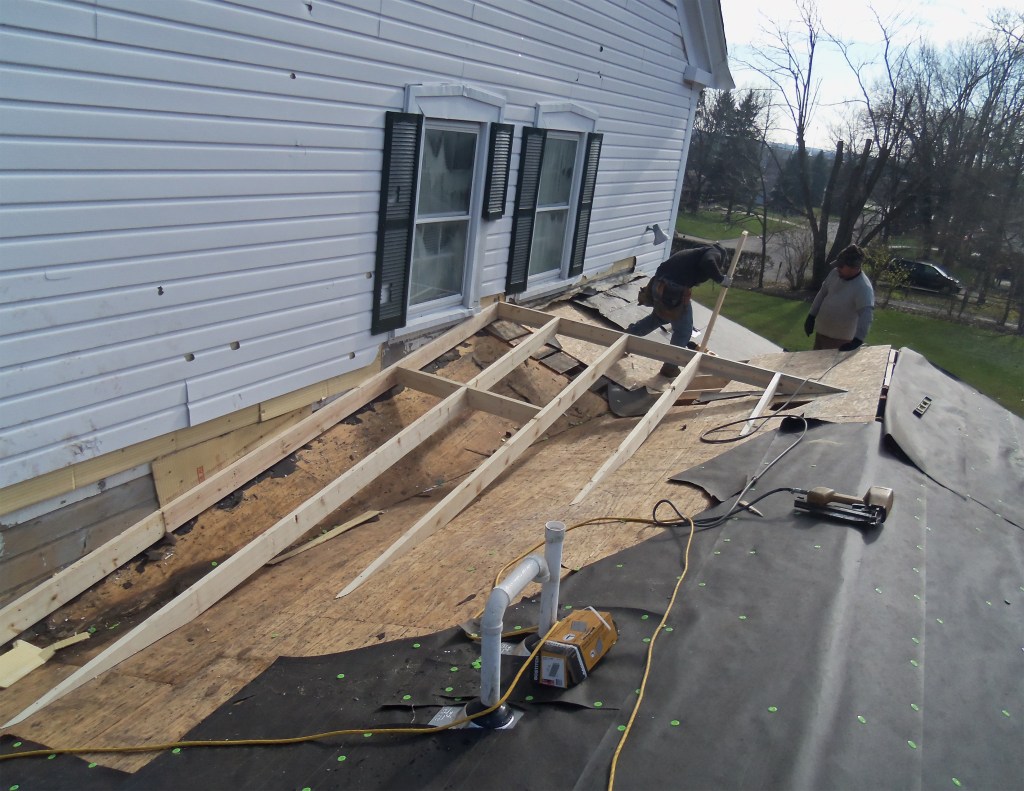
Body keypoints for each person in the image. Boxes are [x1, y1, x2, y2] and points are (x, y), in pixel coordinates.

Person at [626, 243, 732, 376]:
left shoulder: (696, 253)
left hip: (659, 285)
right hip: (672, 290)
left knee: (659, 318)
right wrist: (720, 279)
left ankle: (627, 336)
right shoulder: (714, 252)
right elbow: (709, 261)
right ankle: (670, 366)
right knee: (683, 331)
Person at [803, 244, 874, 351]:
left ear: (854, 267)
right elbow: (822, 293)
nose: (838, 268)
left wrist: (857, 341)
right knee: (813, 366)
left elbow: (866, 315)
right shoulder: (834, 274)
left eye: (841, 266)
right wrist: (811, 316)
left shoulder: (863, 287)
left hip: (840, 341)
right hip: (821, 334)